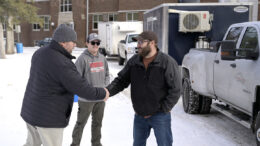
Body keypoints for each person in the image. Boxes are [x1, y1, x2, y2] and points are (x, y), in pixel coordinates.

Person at [20, 24, 109, 146]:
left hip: (31, 112)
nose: (75, 45)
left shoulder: (40, 53)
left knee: (32, 143)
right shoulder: (62, 63)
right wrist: (103, 93)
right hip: (49, 119)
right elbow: (81, 88)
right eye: (72, 41)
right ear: (62, 42)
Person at [106, 31, 181, 146]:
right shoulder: (134, 61)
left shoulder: (167, 62)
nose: (138, 45)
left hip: (160, 116)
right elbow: (121, 80)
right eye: (137, 42)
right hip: (140, 115)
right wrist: (108, 91)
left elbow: (175, 89)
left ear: (152, 43)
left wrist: (164, 108)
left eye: (141, 42)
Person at [71, 33, 110, 146]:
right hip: (86, 99)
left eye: (97, 43)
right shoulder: (82, 59)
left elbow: (107, 74)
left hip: (100, 98)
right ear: (87, 43)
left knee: (97, 123)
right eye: (92, 42)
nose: (95, 45)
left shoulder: (102, 58)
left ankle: (96, 143)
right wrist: (83, 93)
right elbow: (76, 79)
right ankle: (75, 144)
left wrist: (105, 88)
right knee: (80, 123)